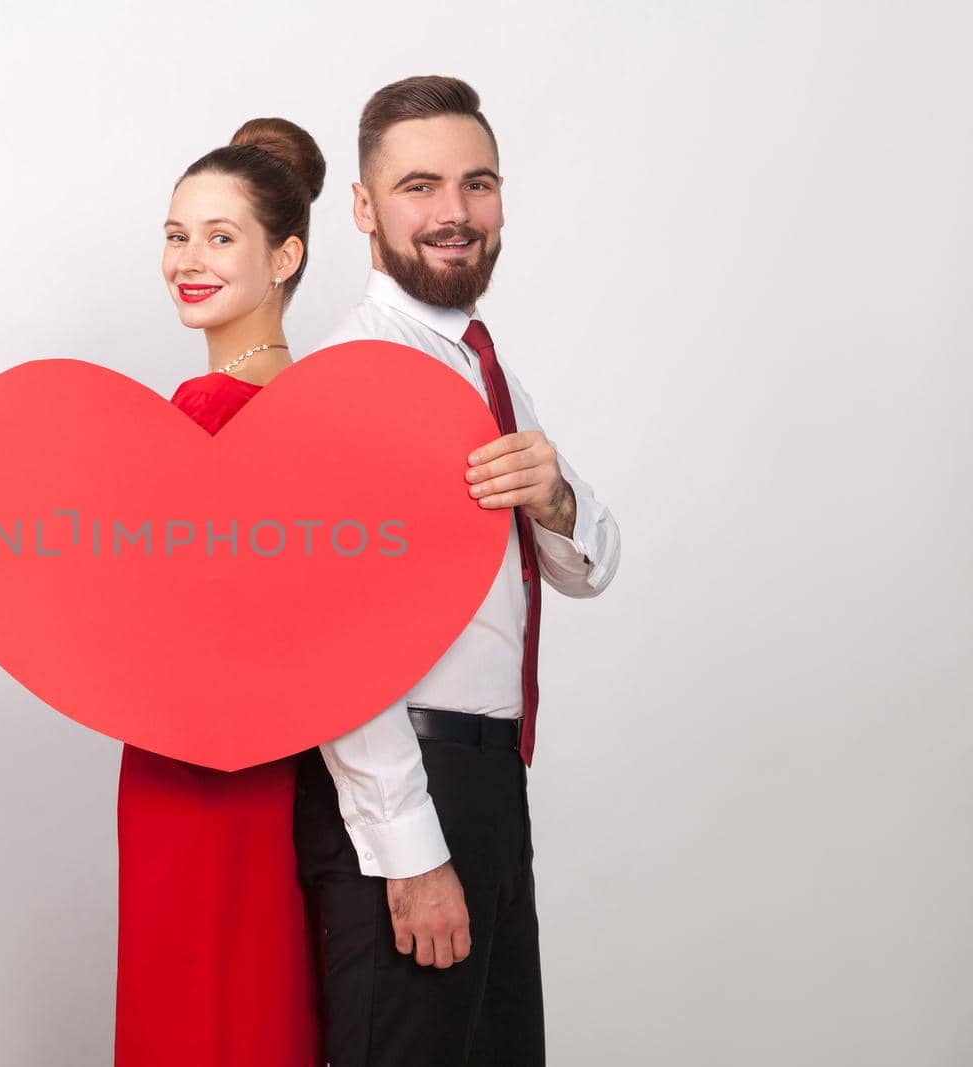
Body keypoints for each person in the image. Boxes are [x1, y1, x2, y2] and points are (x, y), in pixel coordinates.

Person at [0, 118, 327, 1065]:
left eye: (221, 237)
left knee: (195, 1006)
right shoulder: (317, 406)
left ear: (286, 255)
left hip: (189, 765)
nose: (188, 261)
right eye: (176, 235)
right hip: (283, 765)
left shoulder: (208, 411)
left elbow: (111, 583)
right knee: (265, 1000)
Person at [292, 75, 622, 1066]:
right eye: (419, 185)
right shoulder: (353, 377)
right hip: (406, 792)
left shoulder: (478, 361)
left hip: (487, 784)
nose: (452, 213)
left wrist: (555, 497)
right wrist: (411, 851)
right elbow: (327, 639)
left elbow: (583, 566)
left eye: (476, 184)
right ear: (362, 206)